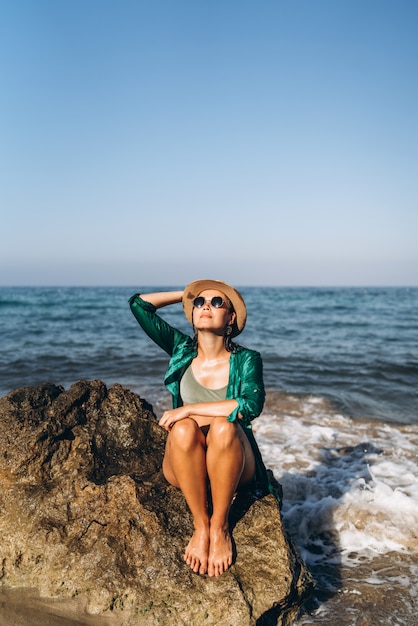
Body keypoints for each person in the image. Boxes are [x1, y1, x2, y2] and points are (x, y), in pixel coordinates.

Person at [129, 279, 278, 578]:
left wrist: (190, 408)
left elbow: (249, 405)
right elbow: (139, 305)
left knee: (224, 425)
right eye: (199, 302)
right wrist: (186, 294)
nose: (206, 306)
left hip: (233, 461)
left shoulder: (247, 360)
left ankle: (220, 526)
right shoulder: (181, 348)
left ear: (231, 318)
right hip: (186, 460)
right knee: (182, 429)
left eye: (216, 302)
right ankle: (201, 527)